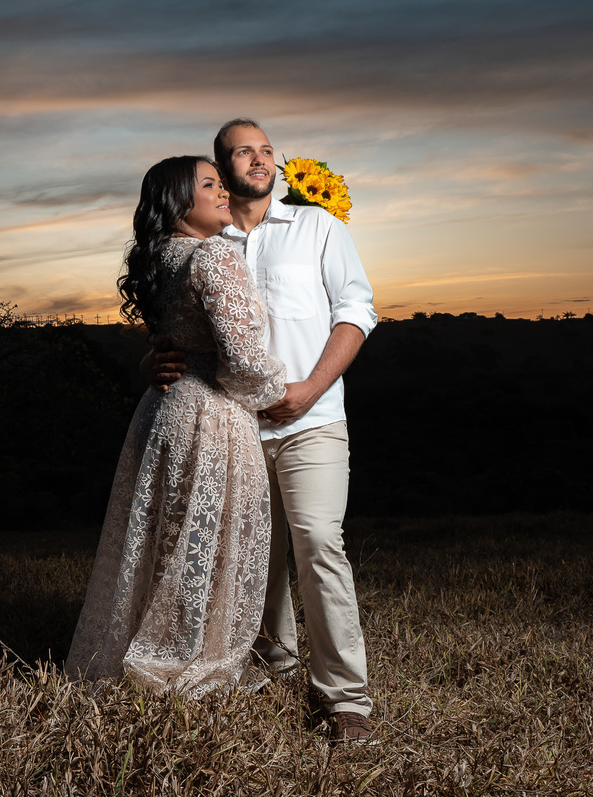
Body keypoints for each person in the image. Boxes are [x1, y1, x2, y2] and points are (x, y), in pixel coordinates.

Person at [145, 119, 378, 742]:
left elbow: (358, 311)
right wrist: (158, 358)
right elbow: (186, 330)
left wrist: (310, 389)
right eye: (244, 150)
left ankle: (345, 699)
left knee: (319, 544)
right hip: (232, 426)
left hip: (313, 421)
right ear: (220, 167)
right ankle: (274, 669)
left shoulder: (317, 227)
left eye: (267, 149)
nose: (260, 158)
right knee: (255, 556)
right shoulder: (202, 240)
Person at [65, 155, 287, 697]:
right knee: (208, 546)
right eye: (208, 184)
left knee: (166, 542)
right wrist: (278, 395)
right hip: (213, 415)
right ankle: (189, 661)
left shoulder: (162, 257)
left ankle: (141, 652)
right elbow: (246, 361)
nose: (222, 192)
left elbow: (171, 344)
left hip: (162, 413)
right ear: (179, 203)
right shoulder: (213, 257)